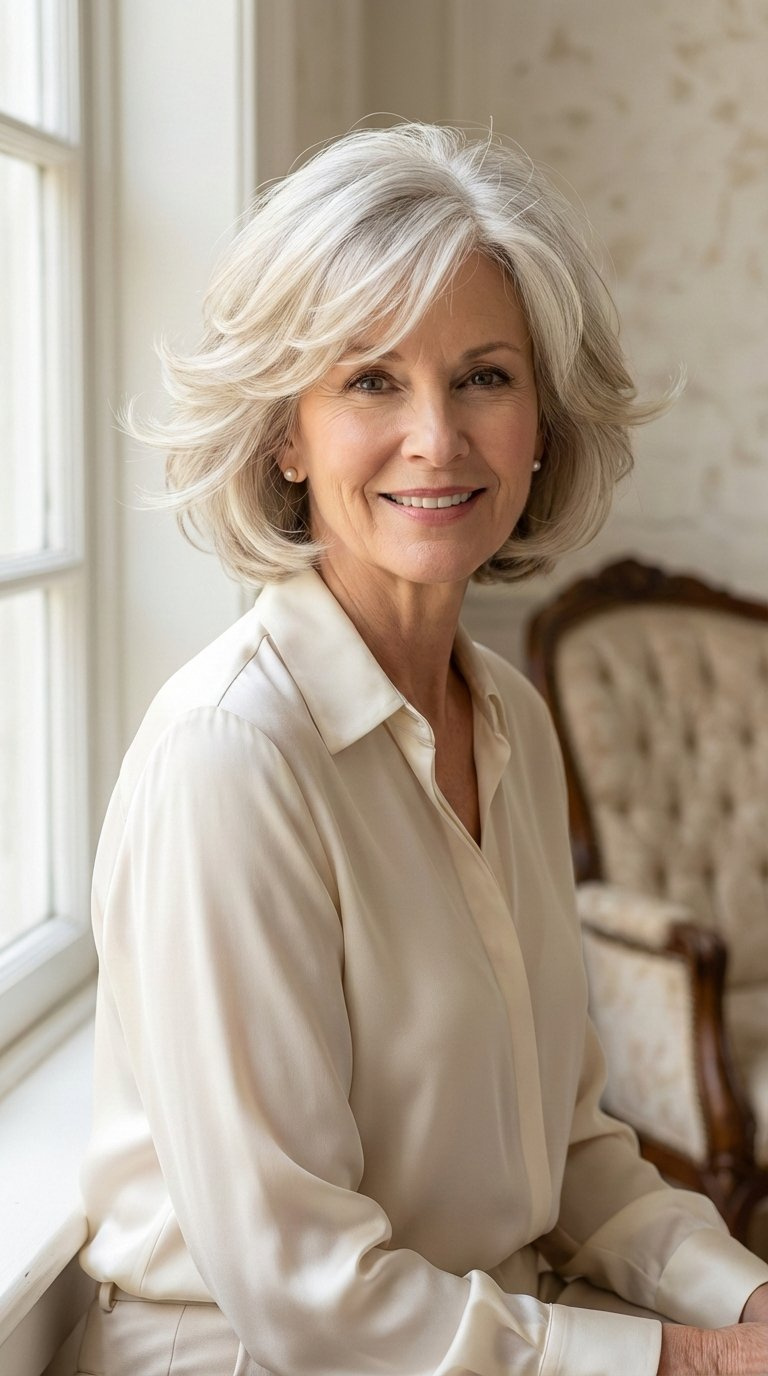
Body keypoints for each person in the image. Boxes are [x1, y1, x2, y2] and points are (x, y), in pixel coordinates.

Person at [76, 123, 768, 1376]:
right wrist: (690, 1361)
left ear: (544, 420)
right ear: (286, 434)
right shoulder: (230, 756)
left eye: (485, 377)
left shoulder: (511, 713)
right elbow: (309, 1297)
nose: (438, 438)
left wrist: (746, 1299)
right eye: (370, 380)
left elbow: (571, 1155)